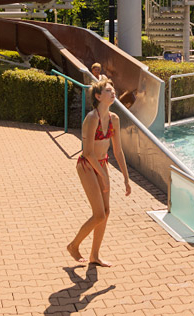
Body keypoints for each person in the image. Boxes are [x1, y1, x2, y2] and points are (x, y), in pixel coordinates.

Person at [67, 79, 131, 267]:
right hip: (87, 165)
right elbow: (87, 152)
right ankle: (73, 245)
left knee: (106, 211)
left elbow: (118, 151)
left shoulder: (114, 119)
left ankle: (94, 255)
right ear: (98, 96)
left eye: (114, 90)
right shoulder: (92, 118)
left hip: (102, 163)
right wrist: (103, 177)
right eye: (109, 90)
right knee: (99, 215)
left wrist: (126, 178)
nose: (114, 93)